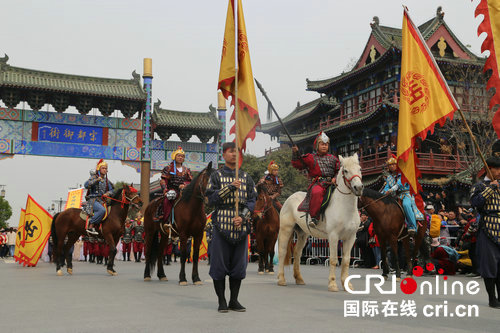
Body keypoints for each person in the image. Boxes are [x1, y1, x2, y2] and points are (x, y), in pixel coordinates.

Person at [205, 142, 257, 313]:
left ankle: (234, 300)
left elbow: (251, 201)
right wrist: (229, 188)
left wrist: (243, 217)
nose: (234, 154)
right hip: (221, 224)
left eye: (237, 152)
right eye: (230, 151)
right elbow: (210, 199)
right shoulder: (216, 176)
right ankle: (222, 300)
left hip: (240, 227)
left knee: (238, 266)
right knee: (219, 265)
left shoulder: (246, 177)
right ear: (224, 154)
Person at [470, 140, 500, 308]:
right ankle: (491, 298)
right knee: (490, 265)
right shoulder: (479, 186)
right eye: (498, 169)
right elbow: (476, 203)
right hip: (488, 228)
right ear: (490, 169)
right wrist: (491, 188)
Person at [291, 131, 340, 227]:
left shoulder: (334, 158)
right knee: (317, 192)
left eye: (326, 144)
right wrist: (296, 153)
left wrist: (335, 178)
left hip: (334, 183)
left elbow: (339, 170)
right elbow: (298, 164)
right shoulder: (310, 158)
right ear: (317, 145)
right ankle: (314, 217)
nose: (324, 146)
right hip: (319, 183)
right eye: (322, 144)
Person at [381, 156, 423, 238]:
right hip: (395, 196)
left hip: (406, 193)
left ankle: (412, 226)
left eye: (393, 164)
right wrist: (381, 195)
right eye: (390, 165)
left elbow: (399, 184)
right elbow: (386, 188)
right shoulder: (388, 177)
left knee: (406, 205)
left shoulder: (403, 173)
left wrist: (391, 190)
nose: (392, 166)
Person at [160, 146, 193, 223]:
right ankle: (166, 220)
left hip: (184, 191)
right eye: (179, 156)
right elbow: (163, 180)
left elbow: (190, 182)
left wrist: (185, 185)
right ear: (174, 157)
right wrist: (165, 190)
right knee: (169, 198)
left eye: (182, 156)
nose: (180, 158)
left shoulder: (186, 170)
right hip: (172, 190)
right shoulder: (168, 168)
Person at [84, 159, 114, 235]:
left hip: (103, 201)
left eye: (106, 168)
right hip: (93, 200)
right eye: (103, 168)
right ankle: (91, 225)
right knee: (102, 210)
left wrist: (108, 193)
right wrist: (96, 180)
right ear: (99, 169)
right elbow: (86, 185)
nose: (105, 170)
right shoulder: (94, 177)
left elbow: (112, 190)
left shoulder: (107, 181)